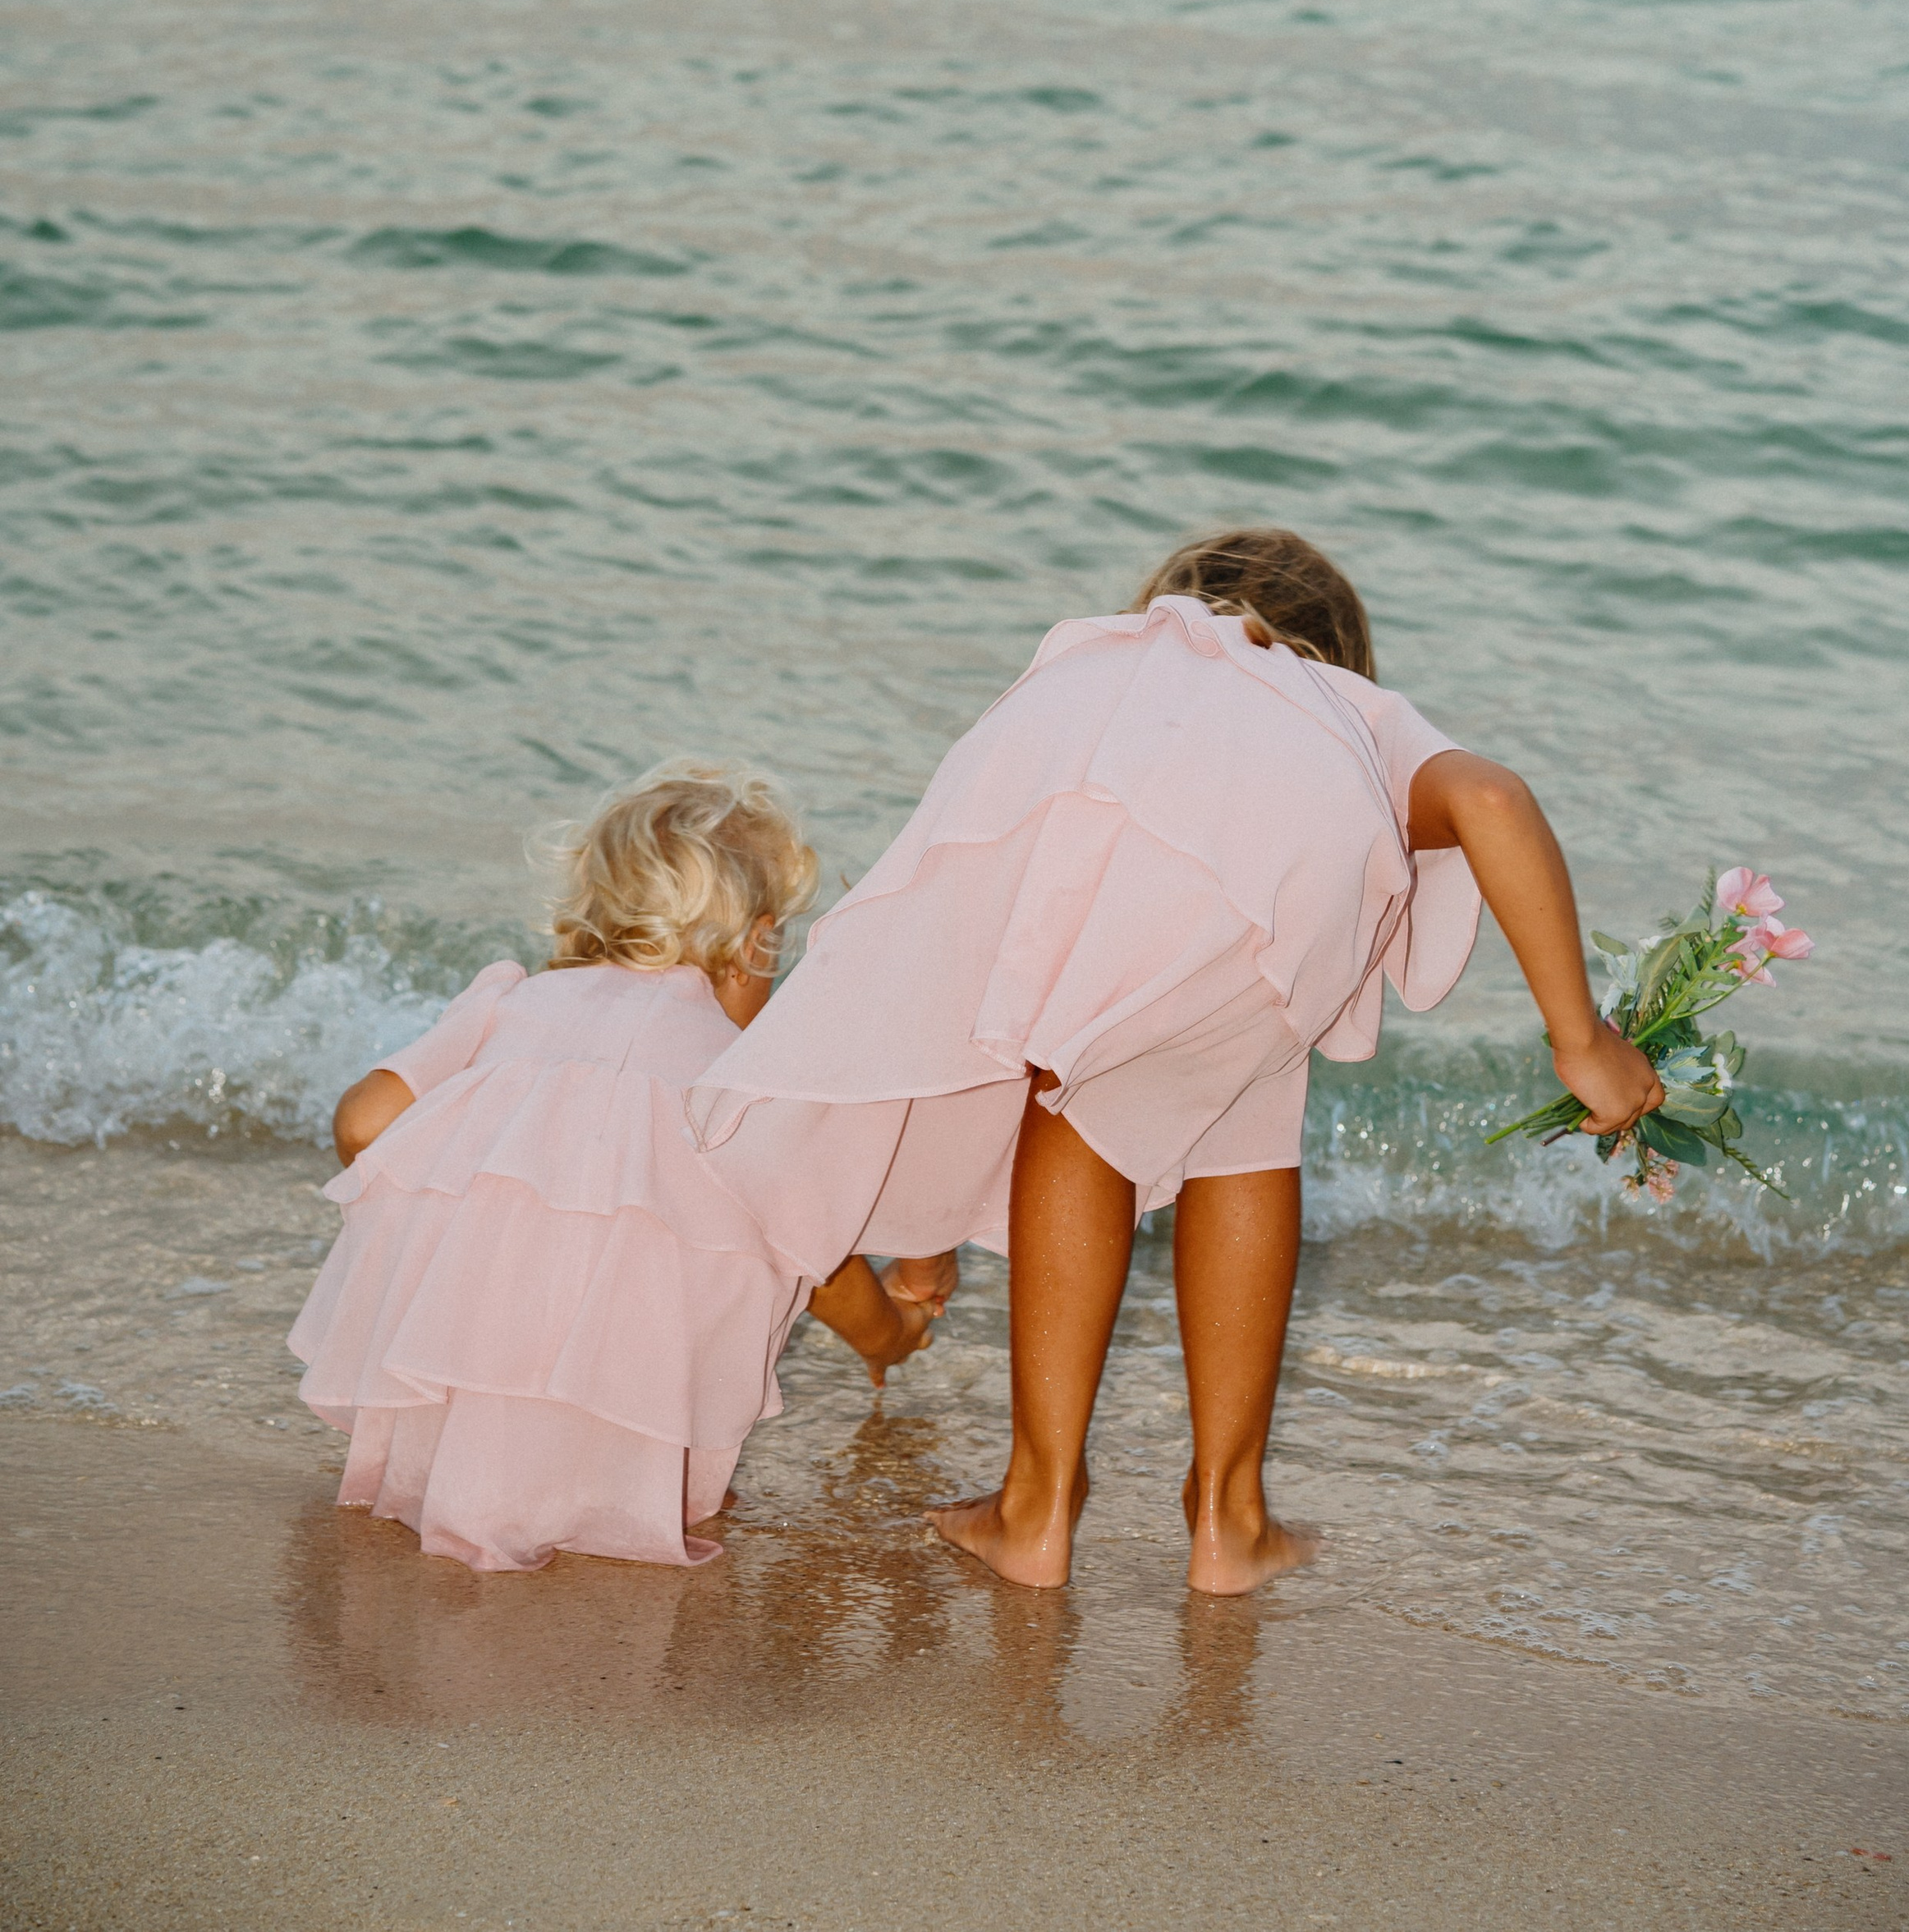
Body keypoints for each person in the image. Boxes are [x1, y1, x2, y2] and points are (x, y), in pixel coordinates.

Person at [689, 527, 1663, 1595]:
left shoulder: (1120, 670)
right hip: (1282, 920)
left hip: (1089, 859)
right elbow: (1492, 800)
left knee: (1078, 1097)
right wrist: (1584, 1038)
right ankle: (1229, 1519)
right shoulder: (1342, 707)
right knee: (1248, 1111)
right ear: (1339, 650)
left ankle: (1037, 1505)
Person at [291, 759, 950, 1573]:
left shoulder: (510, 1004)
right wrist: (887, 1335)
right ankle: (639, 1490)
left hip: (449, 1401)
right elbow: (815, 1249)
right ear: (755, 945)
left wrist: (454, 1193)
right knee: (732, 1235)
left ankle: (468, 1454)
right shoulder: (738, 1079)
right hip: (628, 1430)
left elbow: (362, 1123)